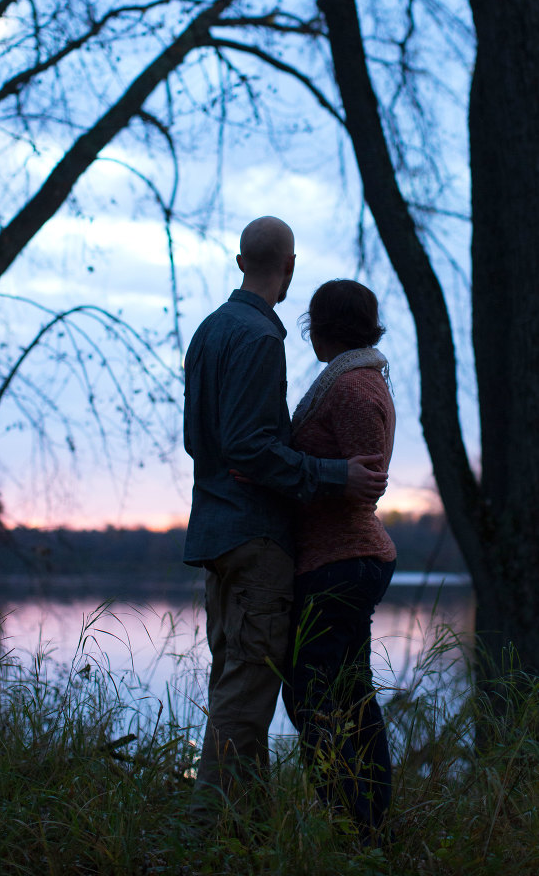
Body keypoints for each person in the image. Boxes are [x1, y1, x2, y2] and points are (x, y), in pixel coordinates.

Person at [182, 218, 388, 824]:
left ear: (239, 259)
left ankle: (244, 832)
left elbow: (205, 442)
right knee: (246, 698)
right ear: (290, 266)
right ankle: (203, 837)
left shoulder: (209, 332)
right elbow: (249, 446)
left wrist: (245, 462)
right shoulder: (258, 337)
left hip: (216, 536)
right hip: (254, 539)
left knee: (235, 684)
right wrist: (333, 476)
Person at [282, 279, 397, 842]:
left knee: (309, 695)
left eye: (310, 325)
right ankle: (370, 828)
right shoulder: (356, 379)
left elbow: (364, 485)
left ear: (320, 328)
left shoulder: (352, 388)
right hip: (344, 558)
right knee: (350, 694)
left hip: (343, 560)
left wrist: (283, 476)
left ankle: (353, 824)